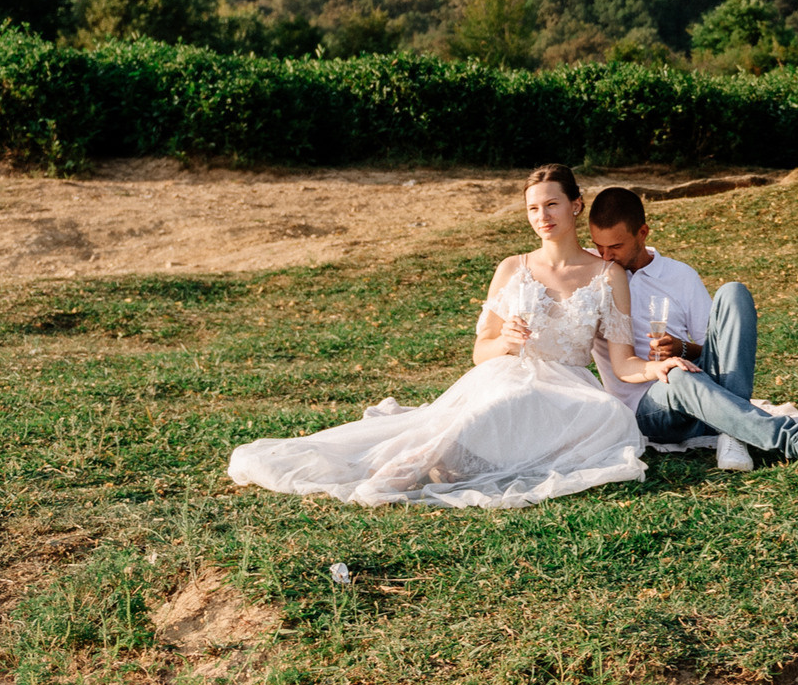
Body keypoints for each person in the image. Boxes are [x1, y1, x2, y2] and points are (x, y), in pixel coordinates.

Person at [227, 164, 659, 509]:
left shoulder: (608, 275)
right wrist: (506, 342)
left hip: (566, 387)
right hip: (508, 374)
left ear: (576, 206)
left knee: (609, 417)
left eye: (552, 205)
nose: (542, 217)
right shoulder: (513, 268)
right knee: (506, 398)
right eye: (532, 209)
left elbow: (622, 363)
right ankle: (417, 463)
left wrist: (662, 364)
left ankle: (433, 462)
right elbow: (480, 352)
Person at [584, 184, 798, 473]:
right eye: (599, 246)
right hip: (648, 409)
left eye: (616, 247)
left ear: (642, 233)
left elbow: (715, 348)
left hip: (700, 386)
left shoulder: (679, 275)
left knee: (733, 292)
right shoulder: (591, 272)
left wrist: (680, 348)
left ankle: (732, 434)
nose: (606, 256)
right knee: (677, 376)